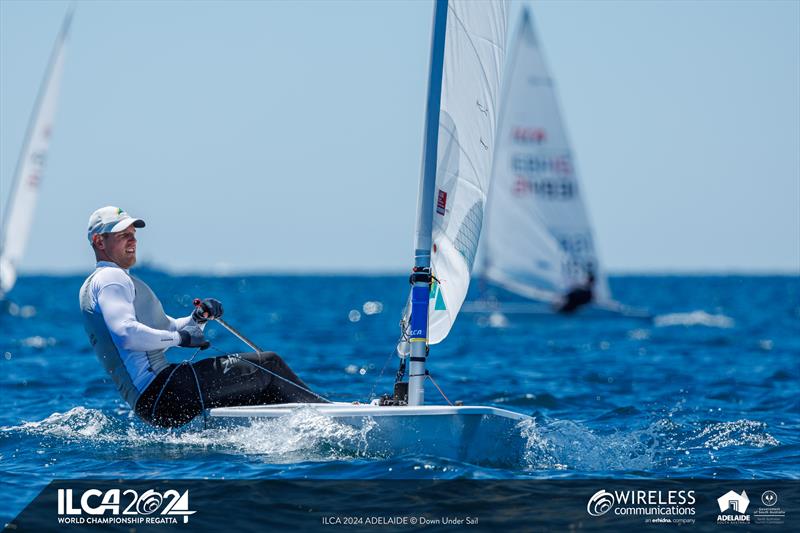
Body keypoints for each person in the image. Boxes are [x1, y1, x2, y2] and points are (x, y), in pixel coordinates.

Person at [79, 206, 322, 428]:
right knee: (268, 364)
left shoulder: (97, 285)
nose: (132, 240)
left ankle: (294, 429)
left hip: (153, 402)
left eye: (133, 233)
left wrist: (197, 319)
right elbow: (127, 335)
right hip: (163, 390)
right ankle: (325, 416)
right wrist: (179, 339)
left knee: (262, 388)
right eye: (122, 235)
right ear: (99, 241)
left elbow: (167, 328)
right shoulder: (111, 278)